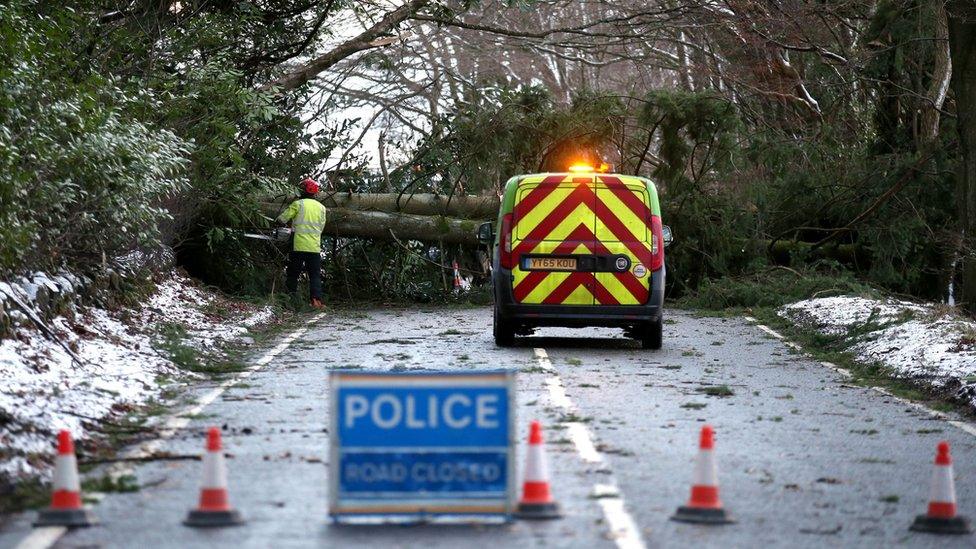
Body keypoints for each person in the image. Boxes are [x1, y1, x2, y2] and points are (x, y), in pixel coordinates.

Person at [277, 177, 327, 308]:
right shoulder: (322, 208)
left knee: (293, 273)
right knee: (315, 275)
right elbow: (321, 228)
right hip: (314, 247)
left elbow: (282, 219)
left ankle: (289, 300)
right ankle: (316, 301)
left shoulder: (298, 204)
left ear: (303, 190)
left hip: (298, 246)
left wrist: (281, 223)